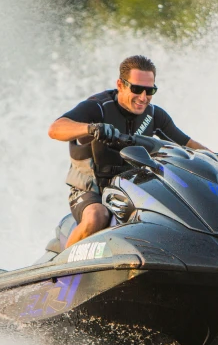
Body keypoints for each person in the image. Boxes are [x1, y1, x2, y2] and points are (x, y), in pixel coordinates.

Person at [48, 55, 208, 247]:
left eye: (150, 91)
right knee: (97, 216)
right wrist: (90, 129)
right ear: (120, 85)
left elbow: (187, 145)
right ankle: (67, 272)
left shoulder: (155, 116)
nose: (143, 97)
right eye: (137, 89)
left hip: (129, 189)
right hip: (91, 190)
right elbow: (55, 129)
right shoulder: (98, 107)